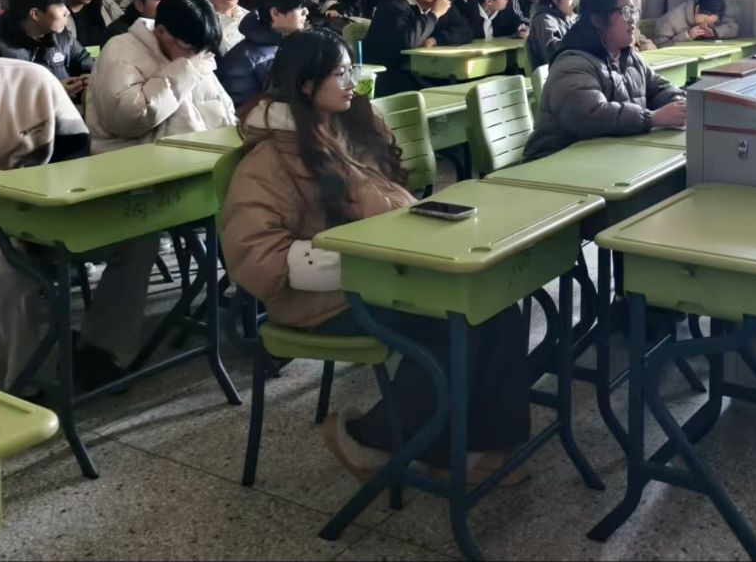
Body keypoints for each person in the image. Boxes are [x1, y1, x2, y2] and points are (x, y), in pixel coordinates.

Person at [221, 30, 530, 484]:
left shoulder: (344, 130)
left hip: (384, 275)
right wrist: (364, 263)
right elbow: (256, 255)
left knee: (494, 303)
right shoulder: (269, 160)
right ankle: (373, 439)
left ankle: (484, 443)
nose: (353, 82)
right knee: (453, 321)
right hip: (322, 300)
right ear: (305, 84)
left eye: (352, 70)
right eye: (340, 73)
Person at [0, 0, 155, 390]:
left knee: (139, 235)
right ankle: (29, 382)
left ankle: (99, 350)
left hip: (51, 207)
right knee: (10, 271)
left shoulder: (32, 81)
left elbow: (77, 153)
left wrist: (46, 197)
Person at [525, 0, 687, 160]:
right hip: (554, 160)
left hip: (601, 155)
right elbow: (592, 115)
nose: (633, 20)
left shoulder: (629, 56)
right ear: (597, 19)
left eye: (634, 12)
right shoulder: (573, 62)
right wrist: (652, 118)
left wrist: (679, 104)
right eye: (625, 12)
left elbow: (658, 87)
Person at [85, 0, 236, 151]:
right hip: (140, 158)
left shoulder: (197, 52)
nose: (195, 55)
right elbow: (126, 119)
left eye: (202, 49)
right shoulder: (121, 49)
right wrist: (181, 73)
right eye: (187, 47)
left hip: (199, 153)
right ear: (161, 31)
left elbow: (223, 109)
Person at [216, 0, 313, 109]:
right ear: (275, 13)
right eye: (300, 8)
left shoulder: (278, 45)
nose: (306, 12)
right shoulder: (257, 57)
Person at [0, 0, 94, 99]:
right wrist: (52, 92)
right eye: (59, 5)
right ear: (35, 14)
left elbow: (85, 61)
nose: (67, 11)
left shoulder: (62, 36)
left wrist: (91, 77)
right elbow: (3, 97)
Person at [361, 0, 452, 95]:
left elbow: (462, 28)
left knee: (449, 82)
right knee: (436, 90)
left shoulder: (425, 2)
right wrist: (434, 14)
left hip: (409, 68)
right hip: (385, 74)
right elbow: (408, 40)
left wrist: (437, 39)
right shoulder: (393, 4)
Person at [525, 0, 579, 68]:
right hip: (553, 73)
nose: (575, 3)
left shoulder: (569, 18)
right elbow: (553, 54)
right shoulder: (543, 20)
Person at [652, 0, 739, 46]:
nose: (706, 25)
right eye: (705, 20)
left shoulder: (713, 16)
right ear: (697, 9)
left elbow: (734, 27)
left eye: (711, 23)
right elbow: (659, 46)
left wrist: (714, 32)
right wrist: (687, 36)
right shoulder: (669, 21)